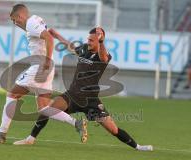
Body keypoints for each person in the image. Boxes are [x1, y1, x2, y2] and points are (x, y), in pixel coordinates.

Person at [13, 27, 153, 151]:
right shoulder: (85, 49)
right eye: (88, 39)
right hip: (73, 95)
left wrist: (102, 41)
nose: (89, 42)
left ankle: (138, 147)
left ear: (99, 41)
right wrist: (56, 35)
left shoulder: (104, 55)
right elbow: (71, 47)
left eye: (92, 40)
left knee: (113, 129)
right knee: (47, 110)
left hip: (90, 100)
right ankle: (30, 139)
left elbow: (104, 57)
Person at [0, 4, 87, 143]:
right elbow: (51, 32)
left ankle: (2, 133)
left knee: (12, 94)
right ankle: (76, 123)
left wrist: (47, 60)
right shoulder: (36, 20)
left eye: (15, 20)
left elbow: (49, 38)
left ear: (20, 16)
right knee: (44, 108)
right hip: (46, 68)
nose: (15, 23)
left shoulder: (31, 23)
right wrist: (65, 42)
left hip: (40, 66)